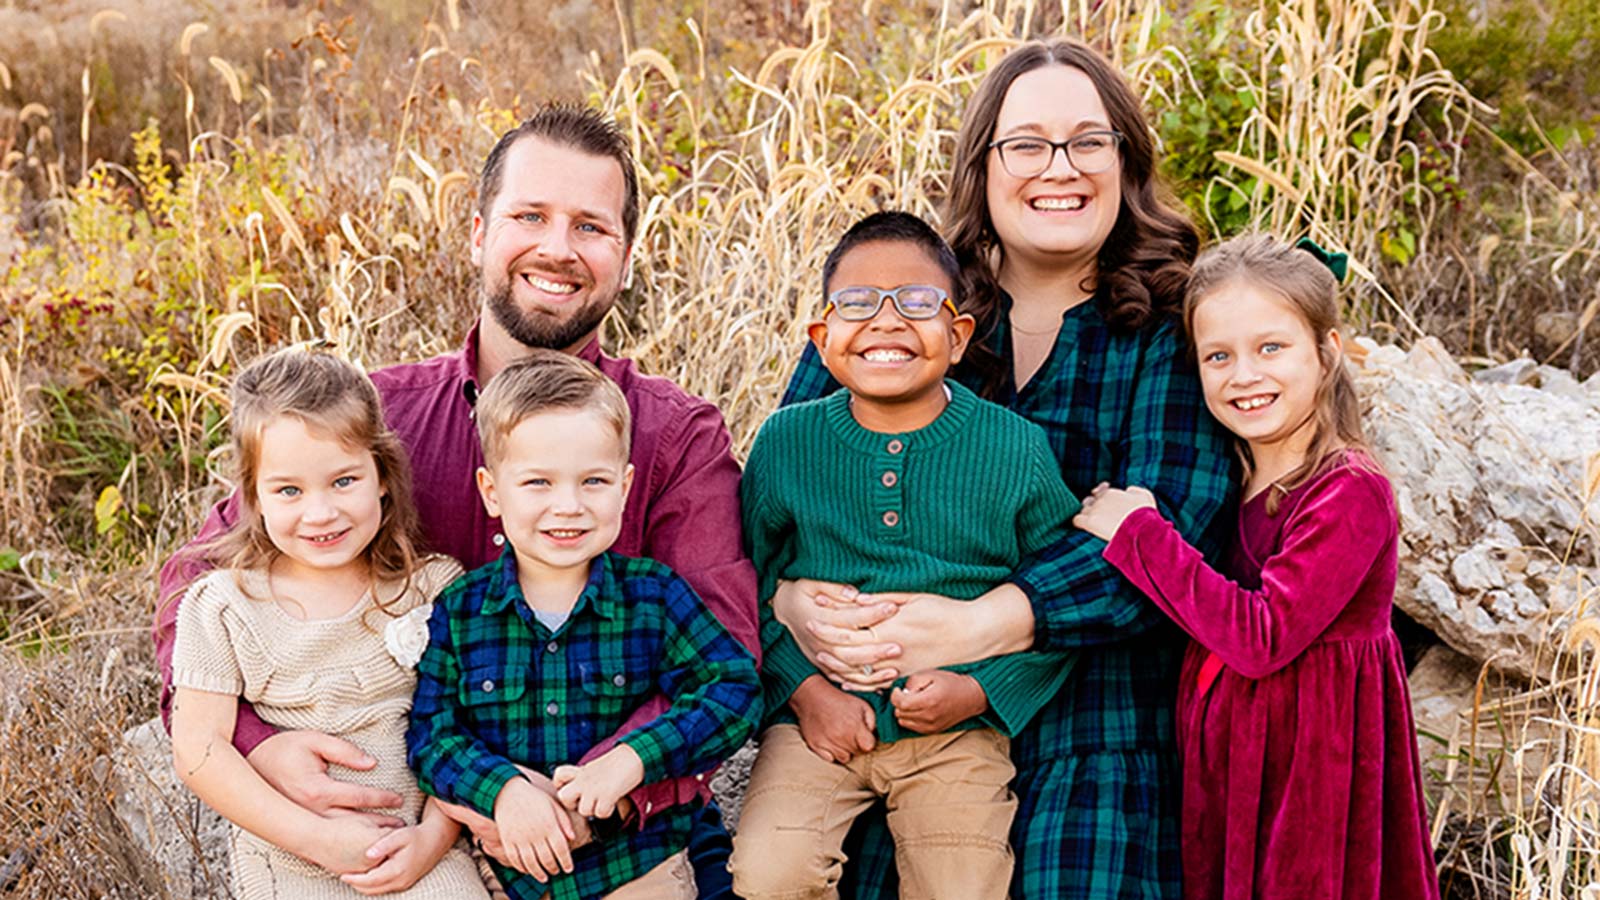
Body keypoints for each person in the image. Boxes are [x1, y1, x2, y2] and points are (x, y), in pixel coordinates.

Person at [153, 104, 758, 896]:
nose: (557, 248)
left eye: (590, 226)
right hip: (409, 832)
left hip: (616, 840)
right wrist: (255, 740)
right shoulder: (374, 421)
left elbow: (725, 657)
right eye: (530, 216)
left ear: (626, 255)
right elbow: (200, 581)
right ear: (478, 233)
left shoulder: (675, 439)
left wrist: (592, 792)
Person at [775, 39, 1236, 898]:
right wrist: (787, 599)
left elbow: (1175, 530)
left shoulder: (1174, 323)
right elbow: (791, 472)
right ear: (982, 164)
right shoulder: (905, 304)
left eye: (1087, 142)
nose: (1057, 168)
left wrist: (984, 622)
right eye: (1026, 143)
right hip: (897, 720)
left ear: (1125, 161)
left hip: (1098, 725)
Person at [1073, 235, 1442, 900]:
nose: (1244, 374)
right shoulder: (1230, 477)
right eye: (1219, 356)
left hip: (1312, 765)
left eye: (1271, 347)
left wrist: (1139, 534)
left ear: (1328, 353)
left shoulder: (1348, 489)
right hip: (1235, 761)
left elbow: (1261, 635)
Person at [729, 212, 1080, 899]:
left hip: (955, 731)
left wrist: (979, 690)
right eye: (857, 303)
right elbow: (748, 586)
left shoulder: (1014, 449)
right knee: (769, 874)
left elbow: (1057, 598)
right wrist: (804, 690)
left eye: (917, 303)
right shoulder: (785, 444)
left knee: (962, 884)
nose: (887, 320)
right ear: (823, 342)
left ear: (957, 337)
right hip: (817, 727)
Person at [406, 352, 760, 900]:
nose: (567, 506)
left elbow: (733, 689)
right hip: (510, 874)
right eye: (538, 483)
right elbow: (431, 736)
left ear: (624, 486)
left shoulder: (655, 595)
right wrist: (503, 791)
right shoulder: (460, 610)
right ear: (492, 491)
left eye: (593, 481)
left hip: (638, 867)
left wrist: (633, 758)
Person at [168, 348, 489, 899]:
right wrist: (316, 839)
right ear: (254, 497)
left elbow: (473, 726)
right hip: (292, 859)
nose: (320, 513)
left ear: (383, 477)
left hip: (421, 851)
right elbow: (199, 751)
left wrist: (435, 838)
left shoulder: (434, 590)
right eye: (289, 490)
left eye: (343, 481)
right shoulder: (224, 606)